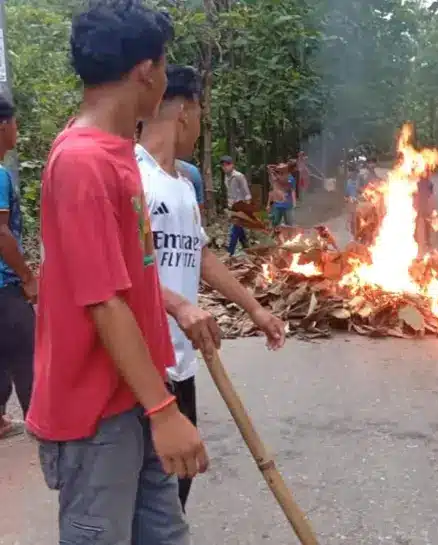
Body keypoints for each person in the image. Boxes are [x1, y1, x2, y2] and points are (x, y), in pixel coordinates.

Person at [26, 2, 205, 544]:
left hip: (136, 399)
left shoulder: (117, 152)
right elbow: (103, 301)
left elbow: (127, 272)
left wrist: (177, 306)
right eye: (165, 62)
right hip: (97, 416)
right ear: (145, 71)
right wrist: (164, 409)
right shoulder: (82, 163)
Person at [137, 64, 287, 510]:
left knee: (176, 491)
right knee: (146, 497)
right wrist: (179, 306)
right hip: (143, 367)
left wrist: (255, 309)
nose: (200, 129)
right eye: (201, 114)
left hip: (182, 366)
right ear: (185, 111)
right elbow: (119, 271)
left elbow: (200, 255)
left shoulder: (183, 185)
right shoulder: (130, 176)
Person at [0, 95, 36, 440]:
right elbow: (0, 231)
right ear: (3, 125)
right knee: (28, 350)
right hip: (3, 284)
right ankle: (43, 423)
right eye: (14, 123)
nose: (17, 130)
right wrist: (26, 276)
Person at [222, 155, 251, 255]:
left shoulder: (239, 176)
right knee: (239, 229)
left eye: (227, 165)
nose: (225, 167)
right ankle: (246, 246)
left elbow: (246, 192)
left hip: (240, 207)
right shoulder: (226, 177)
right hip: (232, 206)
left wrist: (247, 208)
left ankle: (230, 252)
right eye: (224, 165)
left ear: (232, 165)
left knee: (234, 229)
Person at [414, 168, 435, 251]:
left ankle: (426, 240)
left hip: (423, 206)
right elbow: (430, 194)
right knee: (420, 222)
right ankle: (419, 238)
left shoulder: (428, 184)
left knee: (425, 223)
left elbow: (430, 194)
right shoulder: (419, 183)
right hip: (420, 205)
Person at [268, 163, 295, 227]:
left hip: (287, 205)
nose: (280, 171)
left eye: (282, 169)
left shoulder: (290, 178)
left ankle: (289, 235)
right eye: (280, 169)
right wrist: (270, 172)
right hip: (277, 205)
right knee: (275, 223)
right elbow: (273, 188)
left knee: (289, 224)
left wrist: (274, 173)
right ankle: (274, 235)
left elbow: (284, 182)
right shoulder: (276, 178)